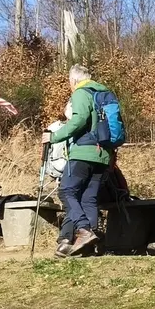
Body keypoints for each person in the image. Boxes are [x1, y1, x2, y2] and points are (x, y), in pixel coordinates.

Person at [43, 65, 115, 258]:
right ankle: (88, 245)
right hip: (103, 154)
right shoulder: (104, 93)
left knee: (66, 190)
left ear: (73, 80)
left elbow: (79, 120)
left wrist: (54, 137)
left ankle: (84, 230)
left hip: (83, 152)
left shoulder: (81, 93)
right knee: (88, 198)